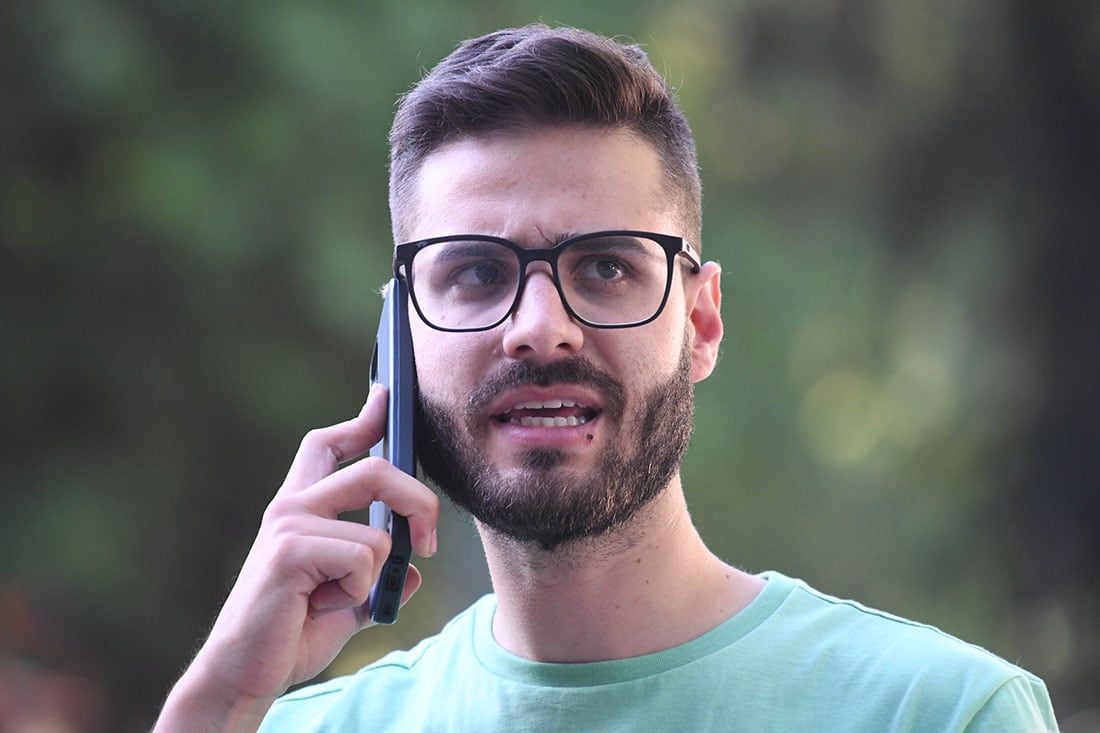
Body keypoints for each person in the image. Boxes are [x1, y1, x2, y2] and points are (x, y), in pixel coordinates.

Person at [155, 25, 1058, 732]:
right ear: (400, 337)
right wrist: (220, 699)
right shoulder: (287, 726)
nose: (540, 329)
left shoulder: (942, 715)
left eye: (605, 268)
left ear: (700, 323)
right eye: (473, 272)